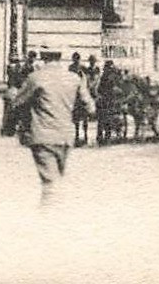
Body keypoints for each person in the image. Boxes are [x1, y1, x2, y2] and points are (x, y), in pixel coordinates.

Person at [8, 50, 95, 204]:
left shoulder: (36, 78)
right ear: (60, 56)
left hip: (43, 136)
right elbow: (90, 107)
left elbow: (17, 104)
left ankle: (49, 219)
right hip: (66, 137)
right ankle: (57, 214)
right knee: (56, 179)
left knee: (50, 184)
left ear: (42, 56)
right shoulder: (74, 78)